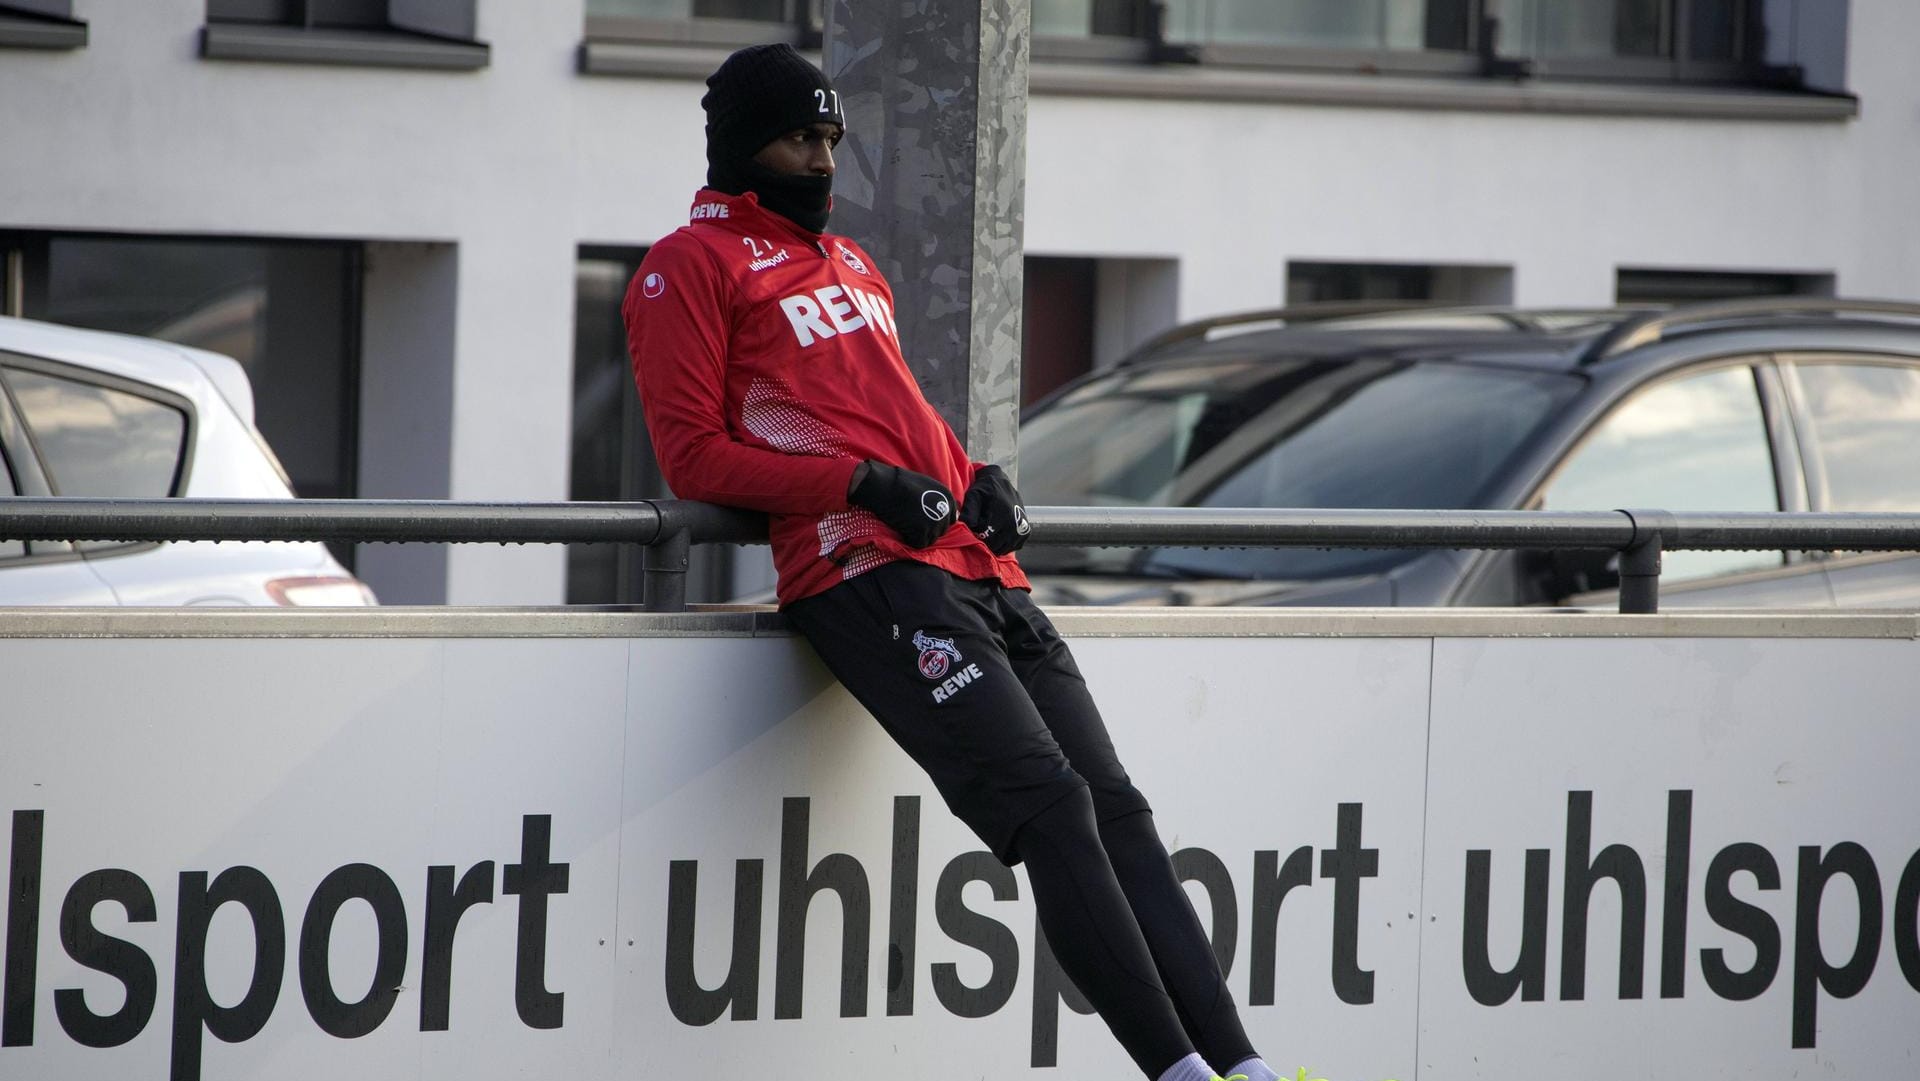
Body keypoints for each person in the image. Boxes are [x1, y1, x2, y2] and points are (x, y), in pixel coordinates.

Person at [623, 43, 1281, 1081]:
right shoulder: (686, 266)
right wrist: (859, 486)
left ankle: (1243, 1064)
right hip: (864, 573)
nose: (824, 160)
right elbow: (695, 454)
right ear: (742, 146)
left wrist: (975, 470)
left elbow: (890, 409)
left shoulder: (852, 265)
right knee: (1053, 809)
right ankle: (1177, 1071)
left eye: (833, 138)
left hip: (976, 564)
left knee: (1118, 810)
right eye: (801, 137)